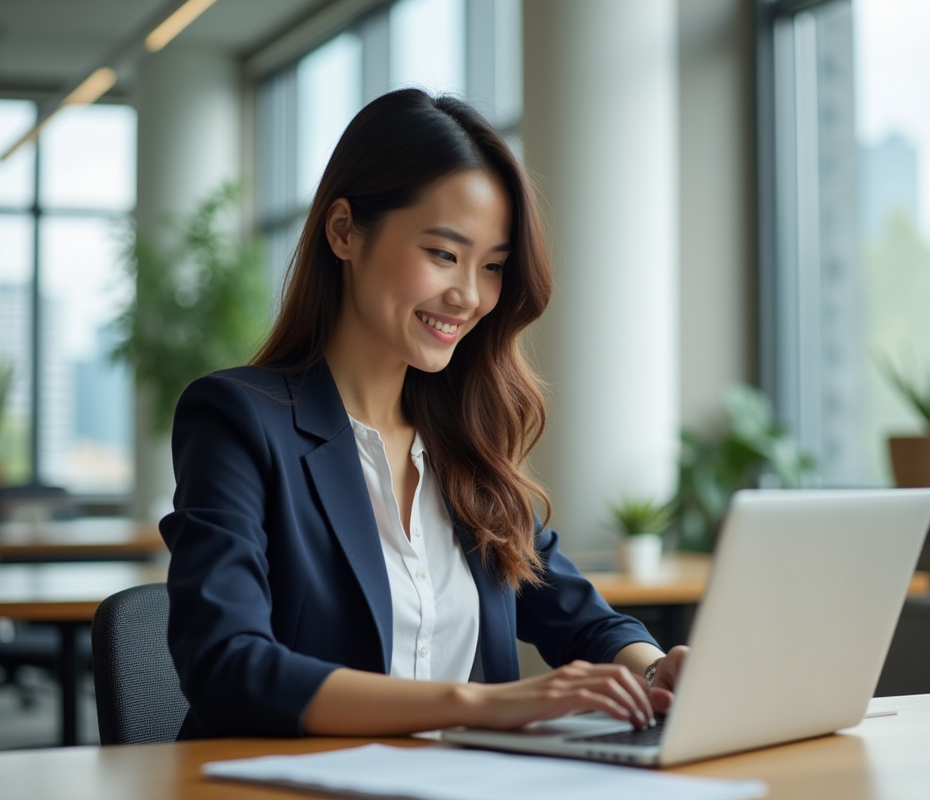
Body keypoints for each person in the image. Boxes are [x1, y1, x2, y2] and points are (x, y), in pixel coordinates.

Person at [161, 88, 687, 740]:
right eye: (443, 254)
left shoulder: (461, 442)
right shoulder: (238, 420)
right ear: (344, 231)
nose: (469, 295)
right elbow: (226, 664)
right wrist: (478, 705)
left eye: (492, 267)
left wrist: (656, 669)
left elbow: (578, 615)